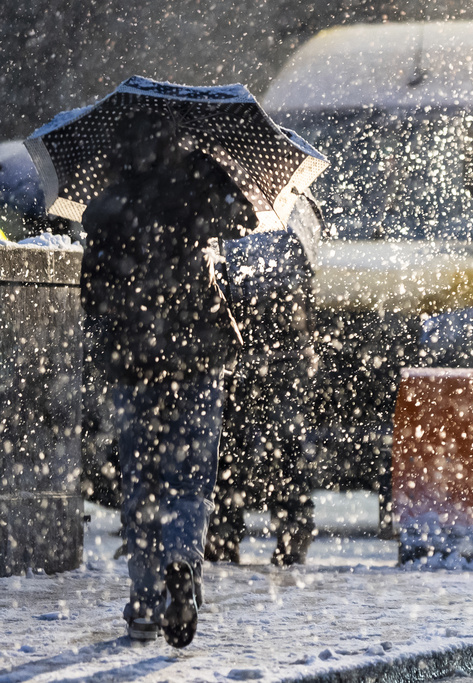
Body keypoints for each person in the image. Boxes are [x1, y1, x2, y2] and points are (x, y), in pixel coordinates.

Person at [80, 111, 256, 647]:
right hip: (199, 357)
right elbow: (244, 221)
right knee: (191, 480)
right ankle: (183, 564)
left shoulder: (112, 203)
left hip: (136, 362)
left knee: (142, 480)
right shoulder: (203, 184)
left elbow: (93, 297)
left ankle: (143, 601)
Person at [205, 218, 319, 567]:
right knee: (280, 446)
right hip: (279, 348)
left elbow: (217, 286)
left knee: (232, 446)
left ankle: (225, 534)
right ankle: (291, 532)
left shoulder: (224, 216)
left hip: (249, 348)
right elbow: (306, 293)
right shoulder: (290, 223)